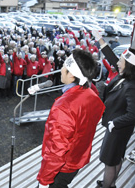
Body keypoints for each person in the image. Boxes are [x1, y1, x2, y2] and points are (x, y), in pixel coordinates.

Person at [31, 49, 105, 188]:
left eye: (64, 67)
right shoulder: (91, 93)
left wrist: (44, 180)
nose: (61, 70)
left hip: (62, 166)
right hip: (78, 157)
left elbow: (56, 149)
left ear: (71, 75)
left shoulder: (64, 107)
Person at [93, 30, 135, 188]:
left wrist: (115, 123)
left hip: (118, 128)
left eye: (121, 61)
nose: (117, 63)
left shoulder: (132, 86)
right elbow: (112, 58)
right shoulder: (124, 75)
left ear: (129, 65)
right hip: (116, 126)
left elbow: (133, 115)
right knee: (116, 157)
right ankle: (110, 184)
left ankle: (107, 185)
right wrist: (100, 40)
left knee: (110, 160)